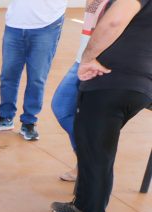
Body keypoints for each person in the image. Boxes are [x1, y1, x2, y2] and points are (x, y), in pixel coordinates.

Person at [51, 0, 152, 212]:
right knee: (90, 146)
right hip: (135, 84)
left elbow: (114, 22)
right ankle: (81, 205)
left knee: (97, 153)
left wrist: (88, 57)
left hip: (110, 81)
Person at [0, 0, 68, 141]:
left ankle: (29, 122)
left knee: (37, 78)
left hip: (47, 25)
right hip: (15, 25)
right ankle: (5, 116)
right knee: (8, 75)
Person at [51, 0, 112, 182]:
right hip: (83, 60)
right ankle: (87, 161)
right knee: (62, 108)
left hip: (99, 64)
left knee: (73, 111)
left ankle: (89, 163)